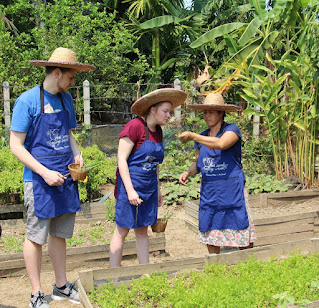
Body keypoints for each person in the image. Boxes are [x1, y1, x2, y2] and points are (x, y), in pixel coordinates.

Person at [10, 47, 95, 307]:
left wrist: (77, 153)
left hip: (64, 178)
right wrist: (44, 172)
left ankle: (61, 287)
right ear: (57, 73)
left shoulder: (65, 99)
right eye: (71, 77)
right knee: (36, 236)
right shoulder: (27, 101)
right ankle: (36, 294)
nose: (73, 82)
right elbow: (15, 145)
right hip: (38, 181)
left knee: (60, 233)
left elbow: (67, 135)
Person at [109, 88, 187, 267]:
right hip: (130, 187)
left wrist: (158, 191)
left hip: (148, 188)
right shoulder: (135, 126)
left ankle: (145, 272)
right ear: (153, 110)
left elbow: (155, 165)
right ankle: (113, 274)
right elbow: (121, 159)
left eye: (170, 112)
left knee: (142, 230)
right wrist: (130, 191)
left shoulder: (158, 131)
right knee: (121, 231)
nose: (169, 116)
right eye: (165, 111)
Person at [179, 93, 257, 254]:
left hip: (231, 189)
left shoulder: (231, 130)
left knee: (239, 222)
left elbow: (221, 144)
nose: (207, 115)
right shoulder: (202, 136)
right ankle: (214, 265)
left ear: (221, 113)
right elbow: (199, 163)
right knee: (210, 225)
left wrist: (193, 136)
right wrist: (188, 172)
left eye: (211, 112)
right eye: (205, 112)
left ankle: (249, 263)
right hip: (211, 191)